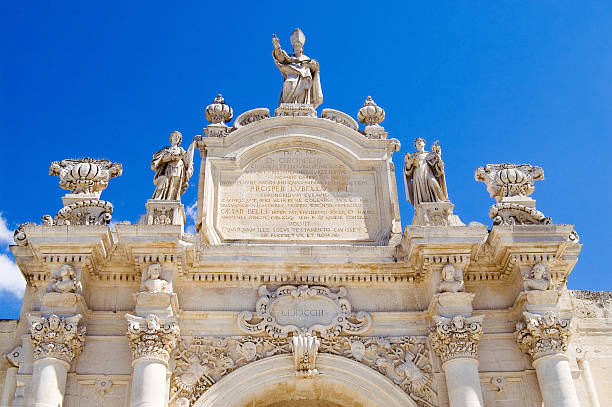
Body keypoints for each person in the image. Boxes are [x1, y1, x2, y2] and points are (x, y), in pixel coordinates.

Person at [272, 28, 323, 107]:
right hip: (292, 76)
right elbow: (280, 57)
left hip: (304, 79)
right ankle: (288, 105)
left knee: (304, 84)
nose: (297, 48)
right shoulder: (289, 57)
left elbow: (314, 68)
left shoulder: (306, 59)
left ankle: (302, 105)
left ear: (302, 48)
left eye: (298, 46)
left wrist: (313, 65)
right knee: (289, 83)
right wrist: (276, 46)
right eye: (295, 46)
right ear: (293, 48)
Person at [151, 131, 195, 201]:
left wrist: (192, 145)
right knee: (166, 183)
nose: (176, 138)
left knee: (175, 186)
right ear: (171, 138)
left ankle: (172, 200)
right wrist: (172, 157)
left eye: (178, 137)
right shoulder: (166, 150)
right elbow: (160, 159)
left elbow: (187, 158)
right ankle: (163, 200)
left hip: (179, 168)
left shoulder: (181, 150)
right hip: (169, 169)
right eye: (175, 136)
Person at [404, 138, 449, 206]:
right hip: (418, 175)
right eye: (417, 142)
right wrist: (409, 163)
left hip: (428, 173)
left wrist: (438, 157)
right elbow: (407, 171)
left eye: (420, 141)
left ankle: (440, 201)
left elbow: (438, 168)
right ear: (415, 145)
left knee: (432, 182)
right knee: (421, 194)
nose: (419, 142)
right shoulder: (413, 156)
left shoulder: (429, 155)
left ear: (424, 144)